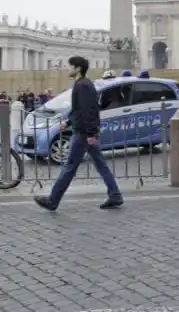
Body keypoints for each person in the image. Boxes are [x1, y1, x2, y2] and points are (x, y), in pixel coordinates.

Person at [33, 56, 123, 211]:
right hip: (86, 132)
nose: (68, 69)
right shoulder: (84, 84)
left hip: (82, 134)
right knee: (100, 165)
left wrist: (89, 134)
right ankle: (115, 195)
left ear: (78, 68)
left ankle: (53, 200)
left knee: (69, 167)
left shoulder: (82, 85)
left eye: (70, 67)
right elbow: (81, 109)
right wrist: (68, 123)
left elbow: (89, 110)